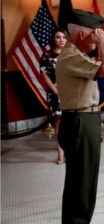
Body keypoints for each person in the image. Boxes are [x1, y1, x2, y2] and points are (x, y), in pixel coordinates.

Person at [57, 9, 104, 224]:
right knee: (80, 184)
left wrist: (97, 44)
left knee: (85, 181)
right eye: (95, 35)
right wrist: (103, 46)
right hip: (79, 121)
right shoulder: (70, 56)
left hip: (85, 119)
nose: (98, 39)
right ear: (82, 33)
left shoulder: (77, 54)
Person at [39, 27, 68, 164]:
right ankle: (60, 153)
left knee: (71, 121)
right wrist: (55, 90)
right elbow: (44, 74)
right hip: (55, 92)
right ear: (53, 39)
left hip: (71, 92)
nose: (61, 40)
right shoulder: (47, 55)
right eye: (58, 37)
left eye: (64, 37)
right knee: (58, 122)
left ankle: (71, 151)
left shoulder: (71, 53)